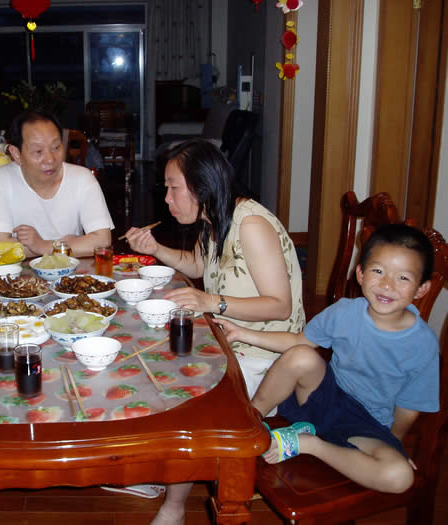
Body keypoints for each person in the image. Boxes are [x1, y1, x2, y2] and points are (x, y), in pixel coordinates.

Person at [123, 139, 305, 525]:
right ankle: (162, 464)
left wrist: (210, 301)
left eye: (174, 188)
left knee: (184, 395)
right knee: (147, 352)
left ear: (201, 186)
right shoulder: (215, 219)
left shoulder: (250, 225)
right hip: (227, 339)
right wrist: (155, 247)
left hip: (264, 356)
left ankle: (173, 506)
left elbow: (280, 305)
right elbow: (196, 265)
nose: (167, 199)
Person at [219, 223, 438, 494]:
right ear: (360, 273)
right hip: (325, 398)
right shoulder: (345, 312)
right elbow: (298, 342)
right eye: (378, 271)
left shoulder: (423, 343)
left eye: (403, 278)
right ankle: (250, 421)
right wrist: (243, 333)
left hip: (366, 425)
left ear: (421, 289)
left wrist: (392, 444)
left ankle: (312, 445)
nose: (387, 284)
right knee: (301, 355)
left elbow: (409, 408)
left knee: (399, 476)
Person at [0, 110, 114, 257]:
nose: (50, 159)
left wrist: (43, 246)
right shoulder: (0, 181)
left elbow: (102, 241)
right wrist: (67, 245)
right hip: (21, 270)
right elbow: (0, 246)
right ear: (16, 154)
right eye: (38, 151)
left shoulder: (82, 179)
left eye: (56, 147)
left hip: (70, 269)